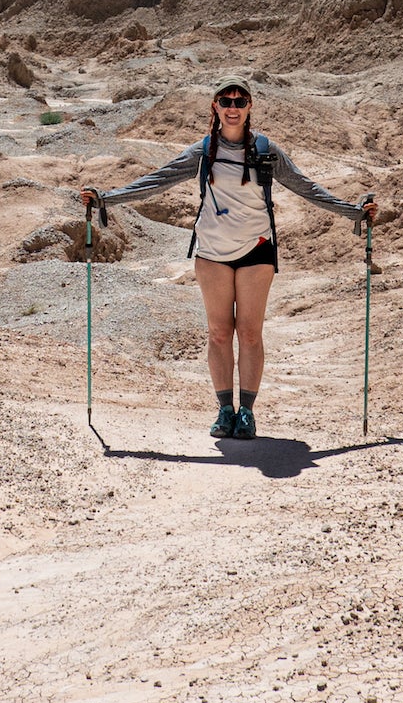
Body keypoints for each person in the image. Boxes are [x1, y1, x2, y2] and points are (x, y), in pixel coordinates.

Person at [80, 76, 377, 441]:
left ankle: (247, 413)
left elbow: (305, 186)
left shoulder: (267, 151)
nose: (233, 107)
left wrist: (354, 212)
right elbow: (158, 180)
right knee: (220, 333)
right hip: (211, 252)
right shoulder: (203, 151)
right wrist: (107, 198)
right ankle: (224, 410)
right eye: (226, 101)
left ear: (249, 107)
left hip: (257, 249)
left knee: (249, 333)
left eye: (240, 101)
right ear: (215, 107)